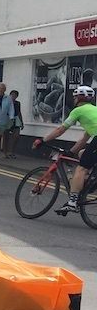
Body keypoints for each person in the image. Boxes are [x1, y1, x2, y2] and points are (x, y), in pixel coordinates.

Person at [34, 85, 97, 214]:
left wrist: (43, 140)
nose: (73, 100)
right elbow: (84, 139)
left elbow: (60, 130)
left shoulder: (78, 110)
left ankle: (72, 202)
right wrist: (72, 152)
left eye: (75, 97)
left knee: (81, 168)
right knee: (82, 153)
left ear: (79, 98)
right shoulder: (93, 110)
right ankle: (91, 181)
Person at [4, 89, 23, 158]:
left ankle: (11, 152)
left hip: (15, 119)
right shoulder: (6, 103)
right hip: (7, 119)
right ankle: (5, 152)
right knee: (6, 137)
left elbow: (19, 112)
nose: (13, 96)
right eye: (12, 95)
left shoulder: (17, 103)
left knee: (16, 136)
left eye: (15, 95)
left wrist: (21, 122)